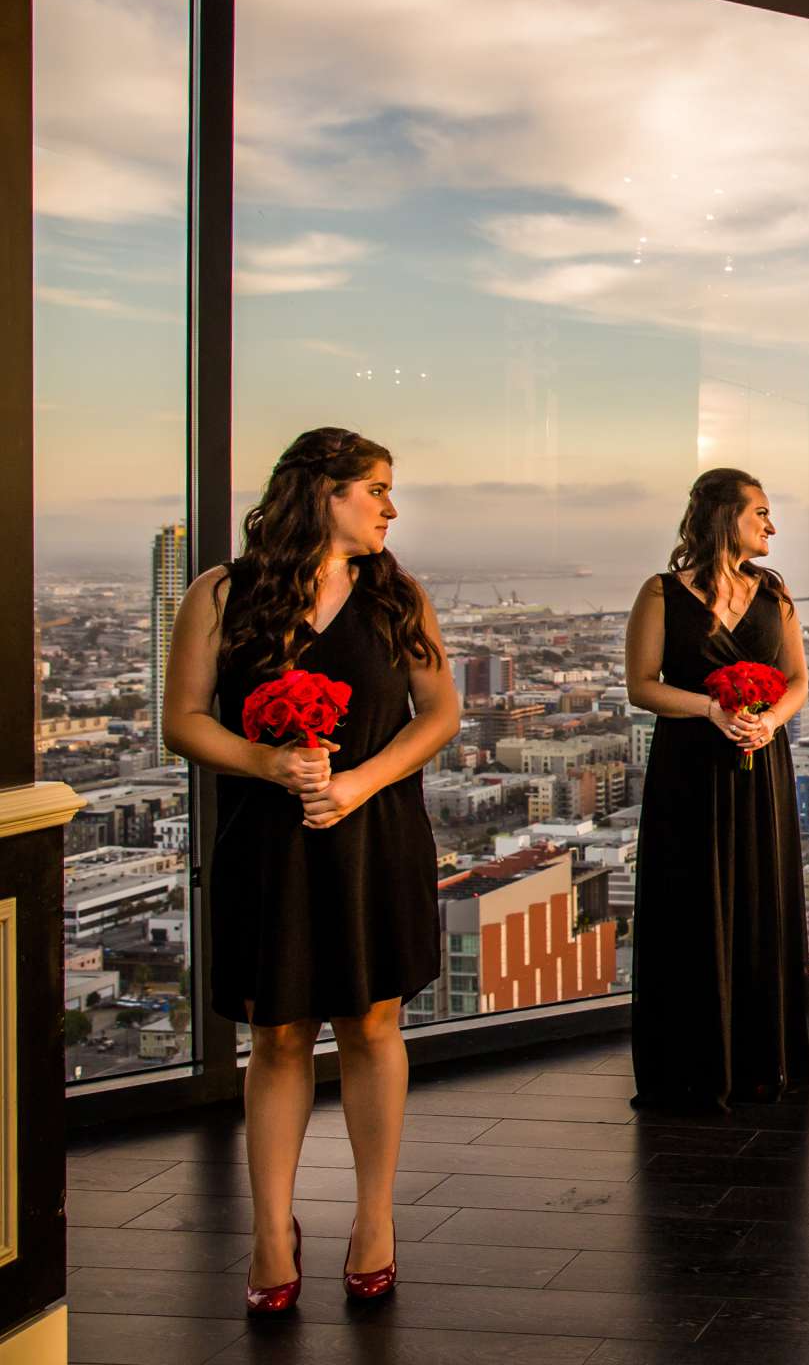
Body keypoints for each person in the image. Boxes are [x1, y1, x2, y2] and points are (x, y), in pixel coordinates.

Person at [161, 428, 458, 1313]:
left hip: (376, 834)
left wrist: (359, 782)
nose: (391, 508)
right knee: (279, 1033)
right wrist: (268, 764)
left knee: (372, 1025)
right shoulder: (221, 593)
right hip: (268, 841)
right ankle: (271, 1229)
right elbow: (182, 720)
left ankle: (374, 1221)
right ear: (324, 493)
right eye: (376, 490)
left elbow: (439, 713)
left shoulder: (398, 594)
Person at [625, 468, 809, 1111]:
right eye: (760, 512)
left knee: (760, 898)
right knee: (691, 902)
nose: (772, 525)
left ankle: (764, 1060)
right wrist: (710, 711)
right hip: (688, 768)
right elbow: (642, 686)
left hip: (760, 761)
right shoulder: (660, 594)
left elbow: (798, 682)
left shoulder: (774, 593)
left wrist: (767, 723)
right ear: (723, 517)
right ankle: (689, 1067)